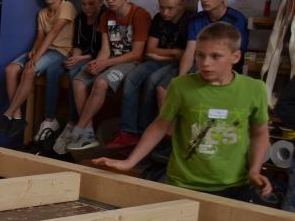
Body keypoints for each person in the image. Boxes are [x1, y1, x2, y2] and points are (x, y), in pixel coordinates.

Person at [94, 22, 271, 202]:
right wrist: (129, 162)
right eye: (200, 55)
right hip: (184, 184)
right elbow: (159, 126)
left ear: (235, 56)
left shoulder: (254, 89)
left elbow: (260, 133)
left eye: (215, 56)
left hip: (233, 185)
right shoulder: (181, 86)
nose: (205, 63)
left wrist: (254, 170)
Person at [60, 0, 151, 151]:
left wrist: (106, 64)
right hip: (110, 60)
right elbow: (105, 49)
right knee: (78, 81)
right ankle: (87, 133)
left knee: (101, 83)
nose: (110, 0)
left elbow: (136, 53)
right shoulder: (106, 16)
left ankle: (78, 129)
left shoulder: (140, 15)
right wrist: (98, 62)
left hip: (130, 62)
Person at [105, 0, 190, 151]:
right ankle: (128, 131)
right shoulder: (158, 18)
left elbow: (185, 55)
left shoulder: (189, 20)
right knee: (132, 78)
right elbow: (150, 50)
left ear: (181, 5)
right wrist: (173, 52)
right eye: (162, 7)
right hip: (157, 60)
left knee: (152, 81)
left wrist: (164, 54)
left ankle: (145, 130)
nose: (165, 12)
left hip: (174, 64)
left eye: (170, 8)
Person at [0, 0, 75, 138]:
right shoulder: (42, 13)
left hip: (60, 52)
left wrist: (36, 58)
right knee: (10, 70)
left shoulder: (67, 6)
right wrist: (34, 50)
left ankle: (8, 114)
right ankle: (17, 117)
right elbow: (40, 36)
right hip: (44, 49)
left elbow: (53, 33)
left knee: (29, 71)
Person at [158, 0, 249, 105]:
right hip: (198, 63)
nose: (204, 0)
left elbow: (235, 57)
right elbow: (189, 52)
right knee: (164, 88)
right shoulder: (196, 19)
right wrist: (180, 80)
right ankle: (169, 124)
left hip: (224, 68)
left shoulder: (237, 20)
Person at [49, 0, 104, 152]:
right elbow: (78, 44)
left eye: (91, 4)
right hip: (82, 55)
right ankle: (75, 123)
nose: (87, 7)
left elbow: (98, 50)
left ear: (100, 3)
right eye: (84, 4)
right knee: (69, 69)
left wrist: (80, 58)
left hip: (96, 57)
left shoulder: (103, 17)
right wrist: (74, 57)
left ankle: (78, 123)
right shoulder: (80, 18)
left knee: (75, 74)